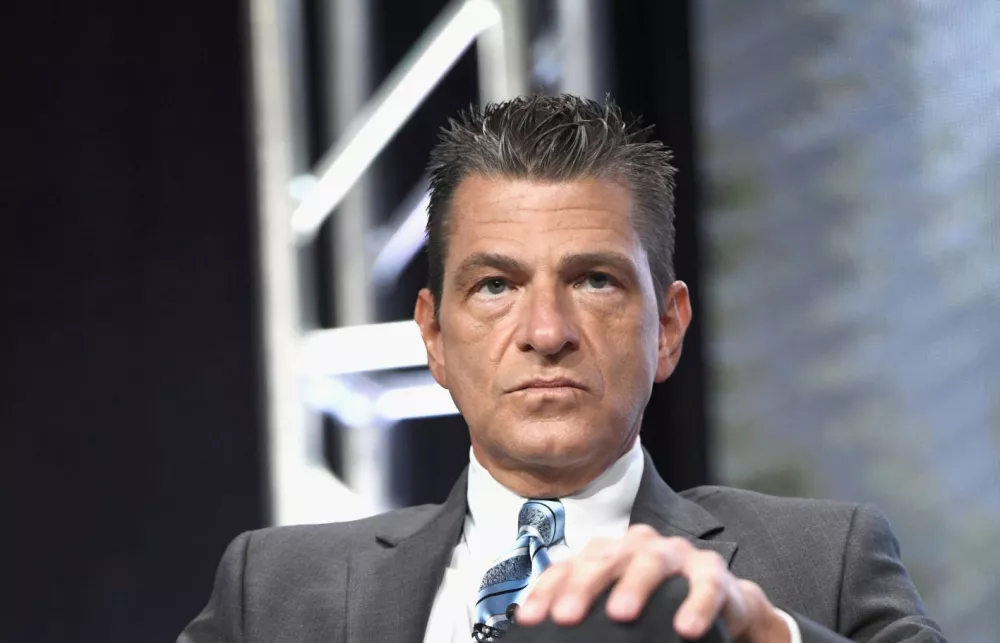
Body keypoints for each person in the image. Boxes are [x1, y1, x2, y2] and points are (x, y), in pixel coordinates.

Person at [177, 95, 946, 643]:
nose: (545, 332)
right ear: (434, 335)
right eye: (495, 286)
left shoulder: (819, 562)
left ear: (669, 327)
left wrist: (765, 636)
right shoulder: (274, 590)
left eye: (594, 280)